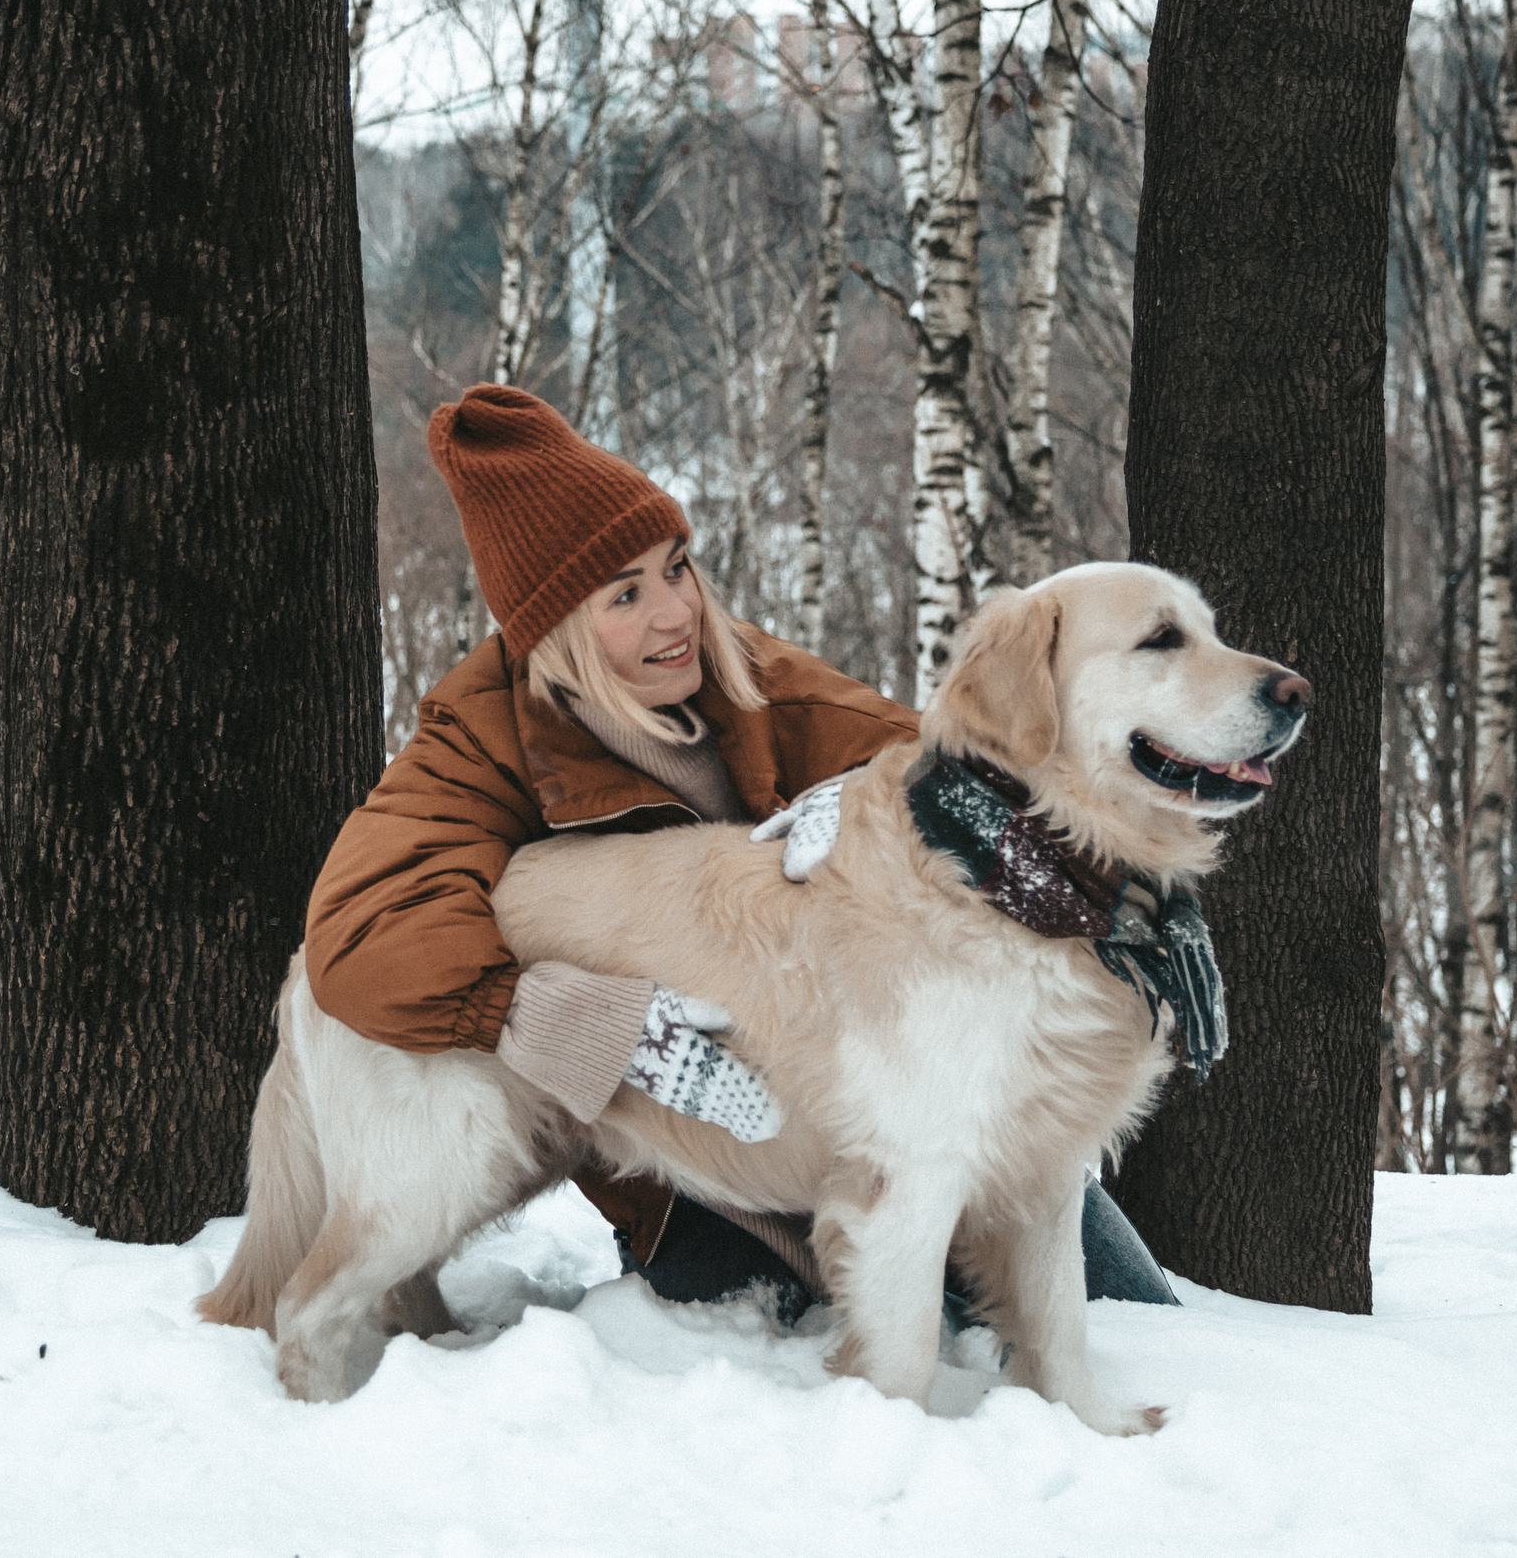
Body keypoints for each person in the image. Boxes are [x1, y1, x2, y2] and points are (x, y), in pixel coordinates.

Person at [304, 382, 1176, 1319]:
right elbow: (361, 934)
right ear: (554, 627)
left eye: (677, 567)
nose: (675, 613)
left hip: (902, 1103)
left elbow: (961, 767)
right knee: (779, 1347)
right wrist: (556, 1015)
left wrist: (1117, 887)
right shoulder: (477, 739)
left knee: (1133, 1314)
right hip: (692, 1168)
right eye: (626, 594)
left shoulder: (747, 677)